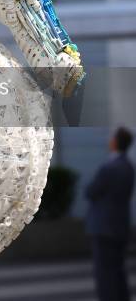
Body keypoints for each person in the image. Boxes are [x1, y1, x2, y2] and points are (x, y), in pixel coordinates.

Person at [86, 127, 135, 301]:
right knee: (118, 271)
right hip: (120, 225)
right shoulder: (128, 166)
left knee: (105, 275)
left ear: (115, 142)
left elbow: (91, 191)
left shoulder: (108, 167)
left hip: (103, 227)